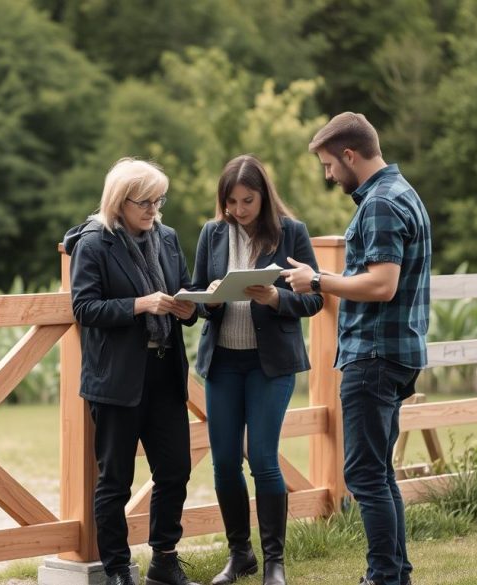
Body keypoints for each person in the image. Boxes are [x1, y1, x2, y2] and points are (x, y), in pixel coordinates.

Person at [283, 112, 431, 585]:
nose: (328, 175)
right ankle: (396, 574)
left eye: (329, 165)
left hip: (374, 356)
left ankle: (382, 577)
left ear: (350, 155)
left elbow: (382, 284)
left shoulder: (381, 203)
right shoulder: (404, 192)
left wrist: (317, 280)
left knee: (364, 477)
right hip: (398, 355)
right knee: (380, 474)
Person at [63, 158, 200, 585]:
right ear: (120, 201)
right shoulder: (93, 242)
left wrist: (190, 305)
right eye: (145, 202)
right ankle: (118, 570)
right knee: (116, 481)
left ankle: (164, 560)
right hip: (117, 378)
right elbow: (84, 308)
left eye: (159, 201)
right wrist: (142, 304)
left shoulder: (168, 237)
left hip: (164, 372)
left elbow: (183, 292)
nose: (154, 211)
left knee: (176, 468)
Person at [192, 155, 323, 585]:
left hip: (271, 364)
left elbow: (313, 298)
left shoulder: (292, 233)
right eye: (231, 202)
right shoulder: (212, 234)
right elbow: (196, 294)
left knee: (263, 458)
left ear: (264, 196)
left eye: (247, 201)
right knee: (224, 463)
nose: (239, 210)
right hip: (223, 362)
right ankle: (240, 555)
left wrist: (275, 299)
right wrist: (207, 300)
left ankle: (275, 563)